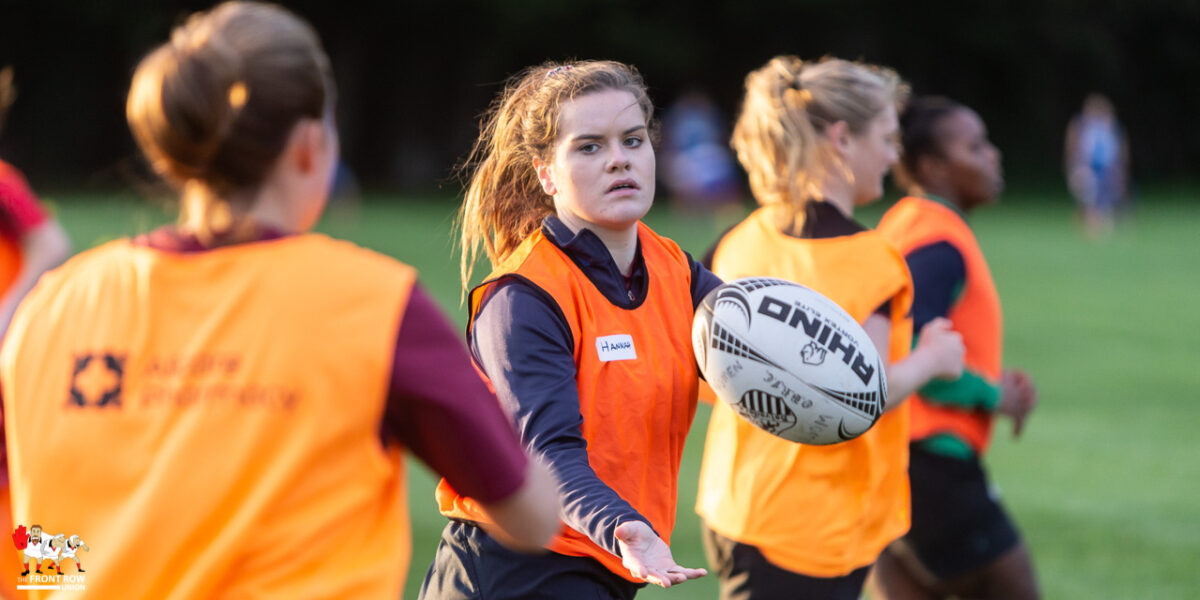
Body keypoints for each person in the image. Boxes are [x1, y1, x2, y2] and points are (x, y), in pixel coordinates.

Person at [0, 3, 559, 598]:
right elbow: (530, 516)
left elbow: (33, 536)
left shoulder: (51, 307)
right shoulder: (368, 304)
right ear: (310, 145)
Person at [422, 59, 718, 599]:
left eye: (633, 141)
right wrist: (618, 523)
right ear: (546, 173)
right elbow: (547, 453)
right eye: (589, 147)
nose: (618, 160)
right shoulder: (524, 297)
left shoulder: (674, 268)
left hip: (605, 563)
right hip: (514, 570)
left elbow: (756, 346)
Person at [694, 55, 965, 600]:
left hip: (735, 500)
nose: (893, 156)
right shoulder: (870, 259)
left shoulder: (740, 238)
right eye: (886, 138)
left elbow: (704, 374)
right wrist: (933, 359)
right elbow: (866, 394)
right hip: (815, 522)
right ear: (842, 138)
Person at [869, 96, 1040, 600]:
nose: (993, 155)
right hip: (929, 463)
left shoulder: (901, 224)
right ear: (933, 167)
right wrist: (994, 396)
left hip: (882, 458)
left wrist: (988, 383)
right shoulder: (938, 241)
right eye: (975, 146)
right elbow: (913, 350)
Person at [0, 65, 71, 600]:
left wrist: (6, 312)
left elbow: (52, 244)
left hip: (13, 385)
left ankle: (61, 585)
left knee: (41, 510)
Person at [1064, 93, 1129, 238]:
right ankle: (1089, 228)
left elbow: (1120, 152)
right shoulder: (1079, 126)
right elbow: (1072, 149)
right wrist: (1072, 168)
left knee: (1105, 200)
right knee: (1089, 198)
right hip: (1086, 168)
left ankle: (1102, 228)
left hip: (1108, 171)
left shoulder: (1112, 127)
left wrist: (1121, 172)